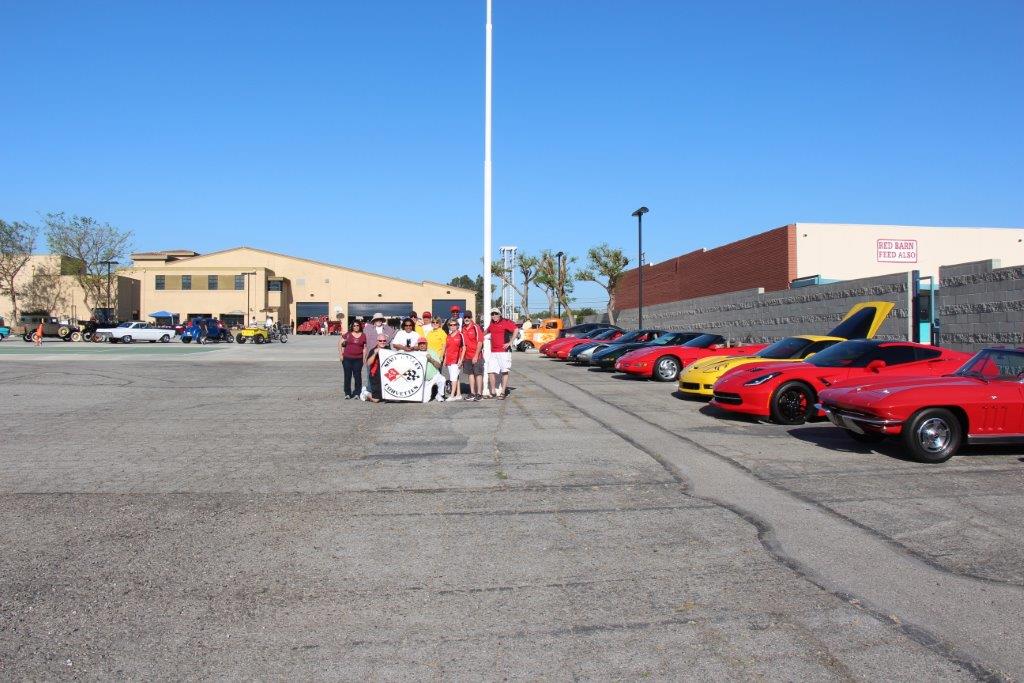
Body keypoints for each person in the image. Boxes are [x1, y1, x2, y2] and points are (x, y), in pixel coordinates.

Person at [486, 307, 517, 399]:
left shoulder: (505, 322)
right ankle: (493, 392)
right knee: (490, 371)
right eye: (492, 314)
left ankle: (503, 392)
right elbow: (485, 332)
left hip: (504, 352)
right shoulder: (491, 324)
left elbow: (516, 329)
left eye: (496, 314)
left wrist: (510, 342)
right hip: (493, 352)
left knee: (504, 371)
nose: (494, 316)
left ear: (500, 314)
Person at [460, 310, 484, 401]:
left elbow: (480, 342)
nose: (466, 319)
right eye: (465, 317)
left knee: (478, 374)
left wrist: (476, 355)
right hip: (467, 356)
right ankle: (472, 393)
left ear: (471, 318)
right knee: (470, 374)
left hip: (476, 356)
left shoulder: (476, 327)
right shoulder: (463, 328)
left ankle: (479, 394)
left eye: (468, 317)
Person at [339, 320, 366, 399]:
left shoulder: (363, 335)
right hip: (347, 358)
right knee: (347, 376)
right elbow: (340, 343)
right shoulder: (348, 334)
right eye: (354, 325)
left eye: (357, 325)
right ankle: (347, 393)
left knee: (357, 376)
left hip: (358, 359)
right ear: (352, 326)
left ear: (360, 326)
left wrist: (364, 358)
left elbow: (365, 348)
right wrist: (341, 354)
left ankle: (357, 393)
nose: (356, 327)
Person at [417, 337, 446, 402]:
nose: (422, 345)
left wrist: (431, 359)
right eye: (420, 344)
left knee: (442, 379)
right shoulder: (416, 354)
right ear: (418, 345)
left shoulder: (432, 352)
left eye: (423, 344)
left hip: (434, 375)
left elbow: (438, 366)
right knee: (425, 400)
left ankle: (439, 395)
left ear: (426, 344)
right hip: (424, 379)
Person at [443, 318, 466, 400]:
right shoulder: (448, 336)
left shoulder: (460, 335)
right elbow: (447, 349)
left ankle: (452, 395)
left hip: (456, 360)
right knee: (455, 377)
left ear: (457, 326)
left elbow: (464, 348)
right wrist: (445, 359)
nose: (452, 326)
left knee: (453, 378)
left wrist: (461, 359)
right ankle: (458, 394)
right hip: (449, 359)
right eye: (451, 325)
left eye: (454, 325)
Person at [364, 335, 388, 403]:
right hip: (375, 376)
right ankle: (366, 393)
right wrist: (375, 353)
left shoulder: (388, 349)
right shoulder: (373, 350)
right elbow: (368, 363)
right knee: (376, 400)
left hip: (385, 377)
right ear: (377, 341)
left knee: (387, 398)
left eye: (384, 341)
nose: (382, 342)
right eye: (380, 341)